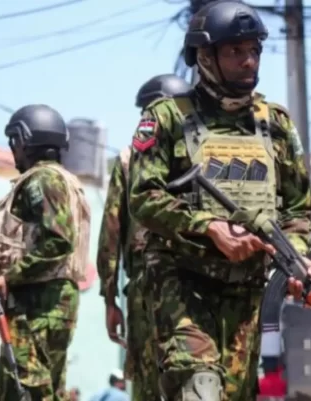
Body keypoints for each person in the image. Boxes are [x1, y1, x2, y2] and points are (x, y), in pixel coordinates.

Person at [127, 1, 311, 400]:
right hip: (183, 284)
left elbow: (299, 210)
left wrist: (295, 259)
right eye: (235, 52)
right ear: (205, 57)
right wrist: (209, 227)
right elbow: (143, 197)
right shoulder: (166, 117)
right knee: (201, 388)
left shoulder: (276, 125)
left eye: (254, 51)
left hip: (247, 292)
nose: (249, 61)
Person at [0, 104, 92, 401]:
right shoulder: (64, 180)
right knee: (44, 386)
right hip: (50, 301)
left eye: (15, 142)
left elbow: (59, 241)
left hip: (40, 304)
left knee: (25, 387)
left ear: (26, 140)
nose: (13, 151)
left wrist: (10, 275)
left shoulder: (42, 180)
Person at [97, 74, 191, 401]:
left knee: (150, 387)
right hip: (199, 291)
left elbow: (111, 232)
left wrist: (110, 300)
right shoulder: (206, 157)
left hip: (146, 290)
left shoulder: (129, 158)